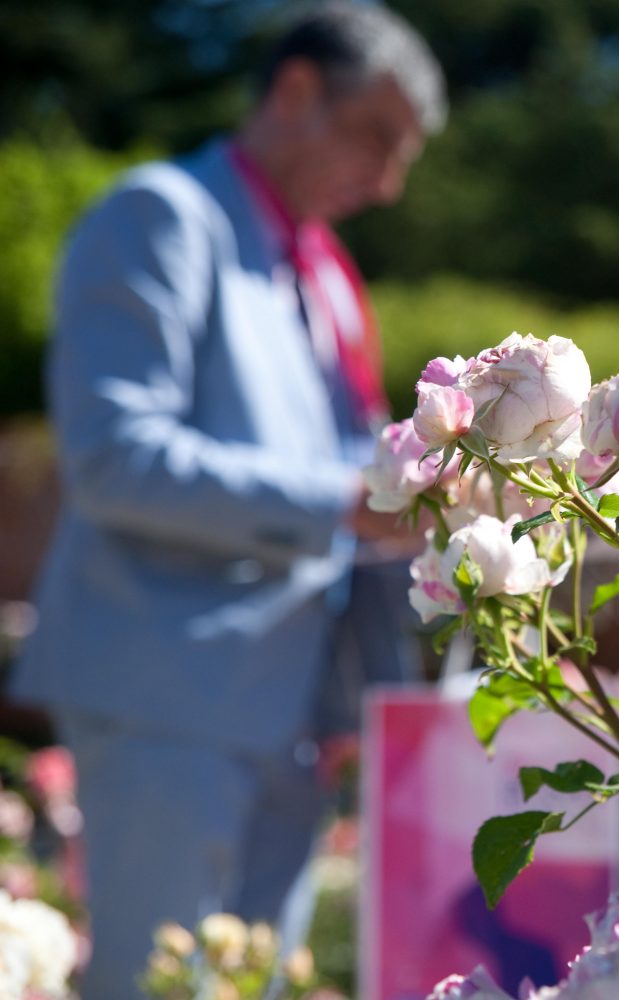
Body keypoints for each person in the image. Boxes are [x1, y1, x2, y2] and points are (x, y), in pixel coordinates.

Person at [9, 5, 446, 995]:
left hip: (292, 708)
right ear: (295, 91)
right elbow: (116, 457)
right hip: (172, 691)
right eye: (378, 139)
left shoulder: (317, 267)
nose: (387, 183)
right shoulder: (158, 217)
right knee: (154, 983)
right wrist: (350, 499)